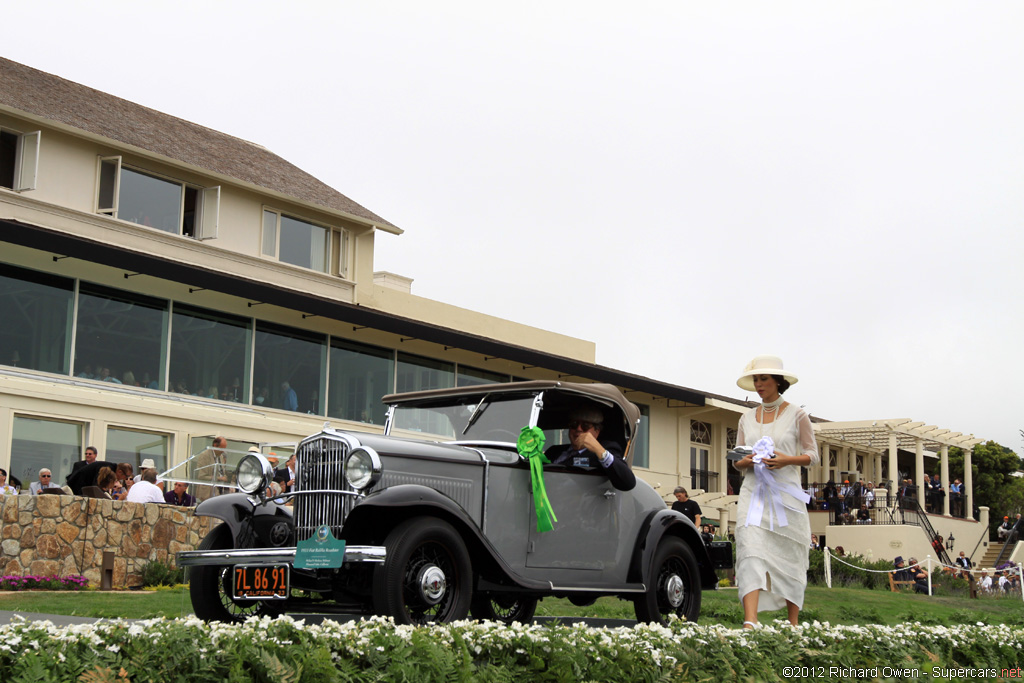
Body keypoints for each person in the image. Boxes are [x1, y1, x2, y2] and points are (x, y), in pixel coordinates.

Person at [732, 355, 818, 628]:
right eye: (755, 379)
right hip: (753, 493)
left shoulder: (797, 415)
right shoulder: (746, 418)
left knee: (791, 551)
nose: (758, 384)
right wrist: (747, 461)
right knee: (749, 547)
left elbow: (812, 455)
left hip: (786, 495)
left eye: (763, 379)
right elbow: (737, 459)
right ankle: (750, 620)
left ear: (778, 382)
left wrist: (786, 459)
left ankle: (793, 622)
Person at [545, 405, 636, 491]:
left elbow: (628, 483)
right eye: (574, 424)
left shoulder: (603, 451)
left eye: (585, 426)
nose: (578, 429)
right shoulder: (554, 450)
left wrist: (599, 450)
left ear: (597, 431)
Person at [194, 436, 229, 501]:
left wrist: (225, 477)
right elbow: (201, 477)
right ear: (215, 445)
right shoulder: (204, 456)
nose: (223, 451)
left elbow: (221, 472)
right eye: (222, 448)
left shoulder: (221, 457)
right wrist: (219, 478)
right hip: (206, 494)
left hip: (218, 492)